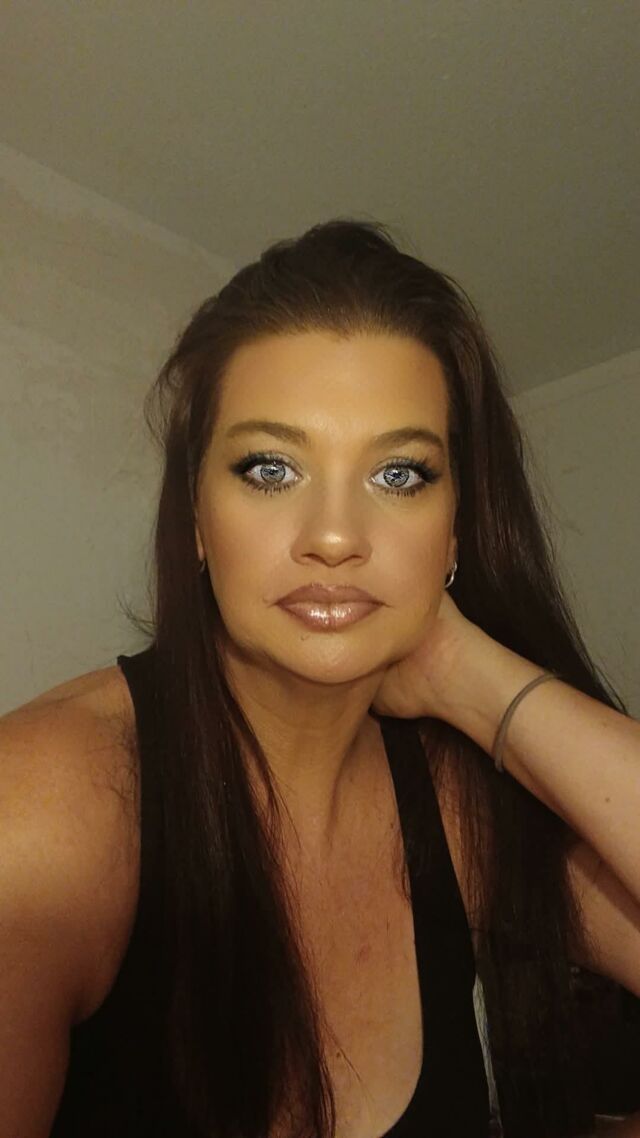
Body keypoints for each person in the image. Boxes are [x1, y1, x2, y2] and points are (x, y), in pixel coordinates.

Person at [1, 219, 639, 1138]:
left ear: (455, 531)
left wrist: (472, 675)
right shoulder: (44, 809)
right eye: (270, 468)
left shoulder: (451, 800)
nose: (335, 536)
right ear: (196, 518)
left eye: (400, 474)